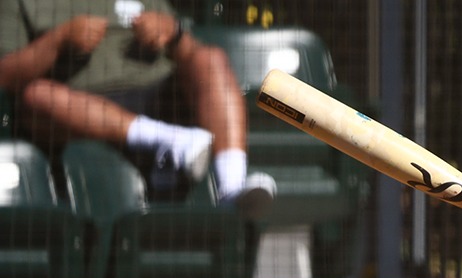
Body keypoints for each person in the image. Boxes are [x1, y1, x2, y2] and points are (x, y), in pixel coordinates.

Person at [0, 0, 273, 211]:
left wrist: (174, 33)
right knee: (35, 96)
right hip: (80, 105)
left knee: (211, 59)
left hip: (160, 94)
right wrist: (58, 40)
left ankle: (232, 189)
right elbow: (5, 74)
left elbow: (190, 52)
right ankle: (171, 141)